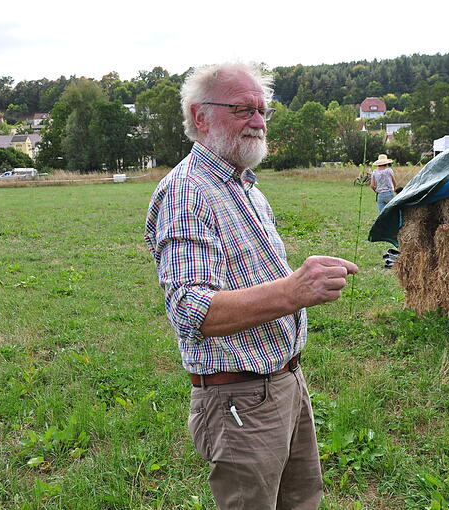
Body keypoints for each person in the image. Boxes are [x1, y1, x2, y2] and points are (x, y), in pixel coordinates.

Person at [144, 62, 358, 510]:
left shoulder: (244, 185)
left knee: (300, 500)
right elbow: (191, 309)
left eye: (262, 111)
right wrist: (294, 290)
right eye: (243, 109)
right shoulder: (189, 191)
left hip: (284, 382)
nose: (258, 122)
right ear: (199, 117)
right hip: (239, 398)